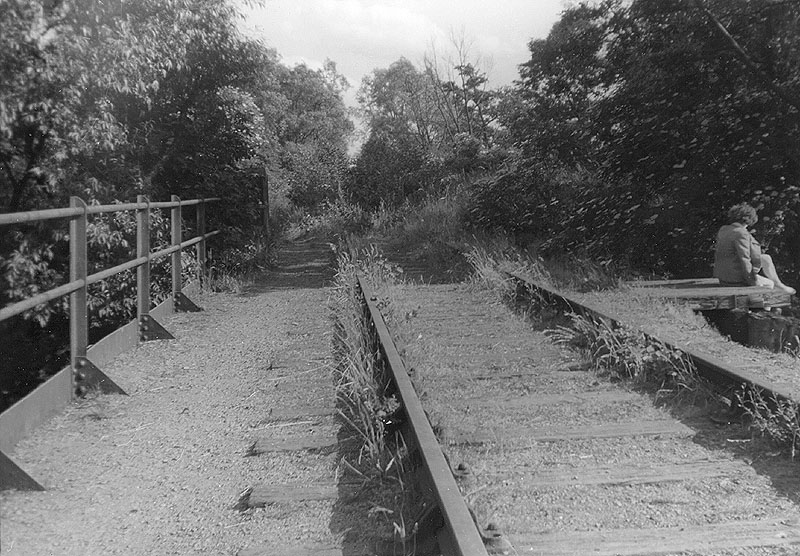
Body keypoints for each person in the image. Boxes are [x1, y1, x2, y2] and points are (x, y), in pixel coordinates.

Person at [713, 203, 795, 295]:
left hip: (723, 278)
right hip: (735, 279)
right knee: (769, 284)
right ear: (749, 218)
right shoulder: (741, 233)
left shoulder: (724, 229)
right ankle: (763, 309)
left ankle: (779, 284)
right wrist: (752, 280)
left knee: (766, 258)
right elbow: (744, 259)